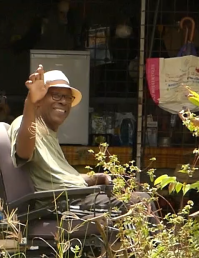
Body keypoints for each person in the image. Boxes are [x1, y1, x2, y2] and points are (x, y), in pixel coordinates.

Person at [10, 65, 159, 223]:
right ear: (39, 100)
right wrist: (29, 103)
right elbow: (23, 152)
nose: (63, 102)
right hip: (62, 204)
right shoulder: (26, 124)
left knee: (136, 199)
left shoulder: (48, 132)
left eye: (68, 98)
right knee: (141, 200)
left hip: (73, 198)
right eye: (56, 96)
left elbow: (63, 177)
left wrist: (98, 177)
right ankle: (156, 247)